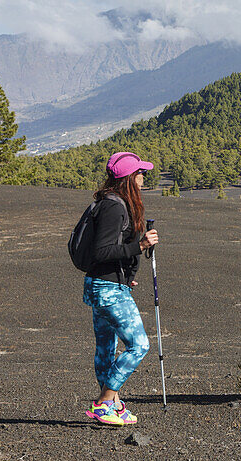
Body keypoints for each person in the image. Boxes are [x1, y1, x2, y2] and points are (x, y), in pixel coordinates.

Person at [82, 151, 159, 426]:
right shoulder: (115, 207)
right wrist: (140, 246)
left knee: (106, 346)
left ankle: (113, 405)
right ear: (129, 177)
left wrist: (127, 274)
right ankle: (104, 402)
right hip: (108, 289)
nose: (143, 176)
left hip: (104, 285)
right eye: (140, 172)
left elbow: (107, 252)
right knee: (139, 345)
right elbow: (101, 251)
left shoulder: (108, 203)